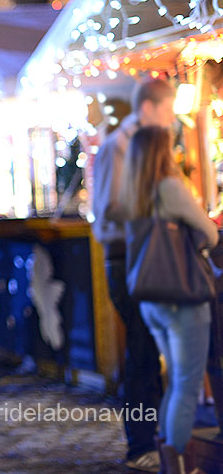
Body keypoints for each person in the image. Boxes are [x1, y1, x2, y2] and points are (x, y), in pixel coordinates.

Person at [120, 126, 218, 474]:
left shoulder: (132, 192)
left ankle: (171, 460)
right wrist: (202, 247)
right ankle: (175, 462)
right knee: (186, 383)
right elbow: (207, 230)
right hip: (182, 295)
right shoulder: (170, 187)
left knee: (175, 381)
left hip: (151, 297)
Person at [92, 77, 173, 472]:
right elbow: (109, 208)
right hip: (127, 259)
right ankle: (141, 444)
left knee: (147, 351)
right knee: (141, 355)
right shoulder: (119, 146)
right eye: (169, 110)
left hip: (143, 256)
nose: (173, 118)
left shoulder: (143, 146)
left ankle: (153, 440)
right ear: (151, 109)